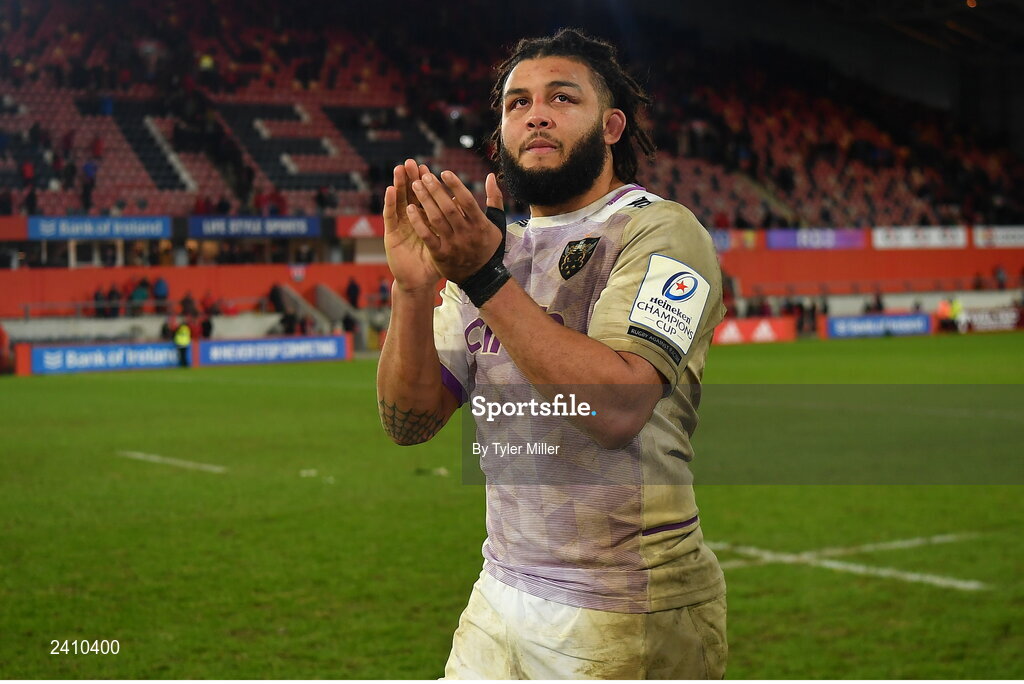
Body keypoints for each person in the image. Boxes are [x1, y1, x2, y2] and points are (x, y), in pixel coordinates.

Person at [376, 29, 726, 680]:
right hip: (500, 589)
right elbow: (409, 422)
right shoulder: (484, 247)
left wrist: (484, 277)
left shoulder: (663, 231)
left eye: (562, 98)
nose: (535, 112)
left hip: (628, 604)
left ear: (613, 124)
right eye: (516, 103)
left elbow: (618, 408)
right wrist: (413, 287)